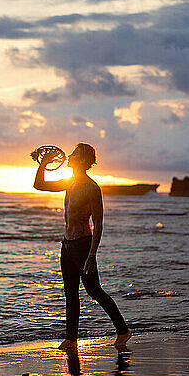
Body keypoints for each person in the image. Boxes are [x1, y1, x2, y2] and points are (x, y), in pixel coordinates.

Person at [33, 142, 132, 350]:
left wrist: (92, 254)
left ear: (84, 160)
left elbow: (99, 222)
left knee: (94, 290)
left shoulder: (91, 187)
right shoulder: (69, 182)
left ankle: (123, 331)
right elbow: (39, 185)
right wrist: (43, 163)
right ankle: (71, 339)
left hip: (83, 245)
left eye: (74, 154)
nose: (69, 156)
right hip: (67, 245)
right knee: (70, 292)